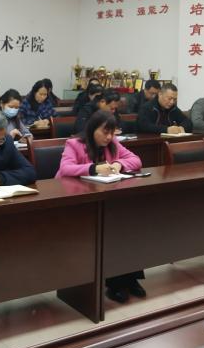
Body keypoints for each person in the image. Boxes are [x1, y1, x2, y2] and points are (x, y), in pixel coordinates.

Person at [56, 110, 145, 304]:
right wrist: (94, 168)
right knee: (110, 230)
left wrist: (119, 164)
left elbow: (136, 160)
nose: (109, 137)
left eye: (112, 132)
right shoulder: (74, 144)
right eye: (105, 132)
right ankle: (115, 283)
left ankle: (130, 279)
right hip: (75, 203)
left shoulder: (113, 143)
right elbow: (65, 168)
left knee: (128, 227)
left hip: (104, 198)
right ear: (92, 129)